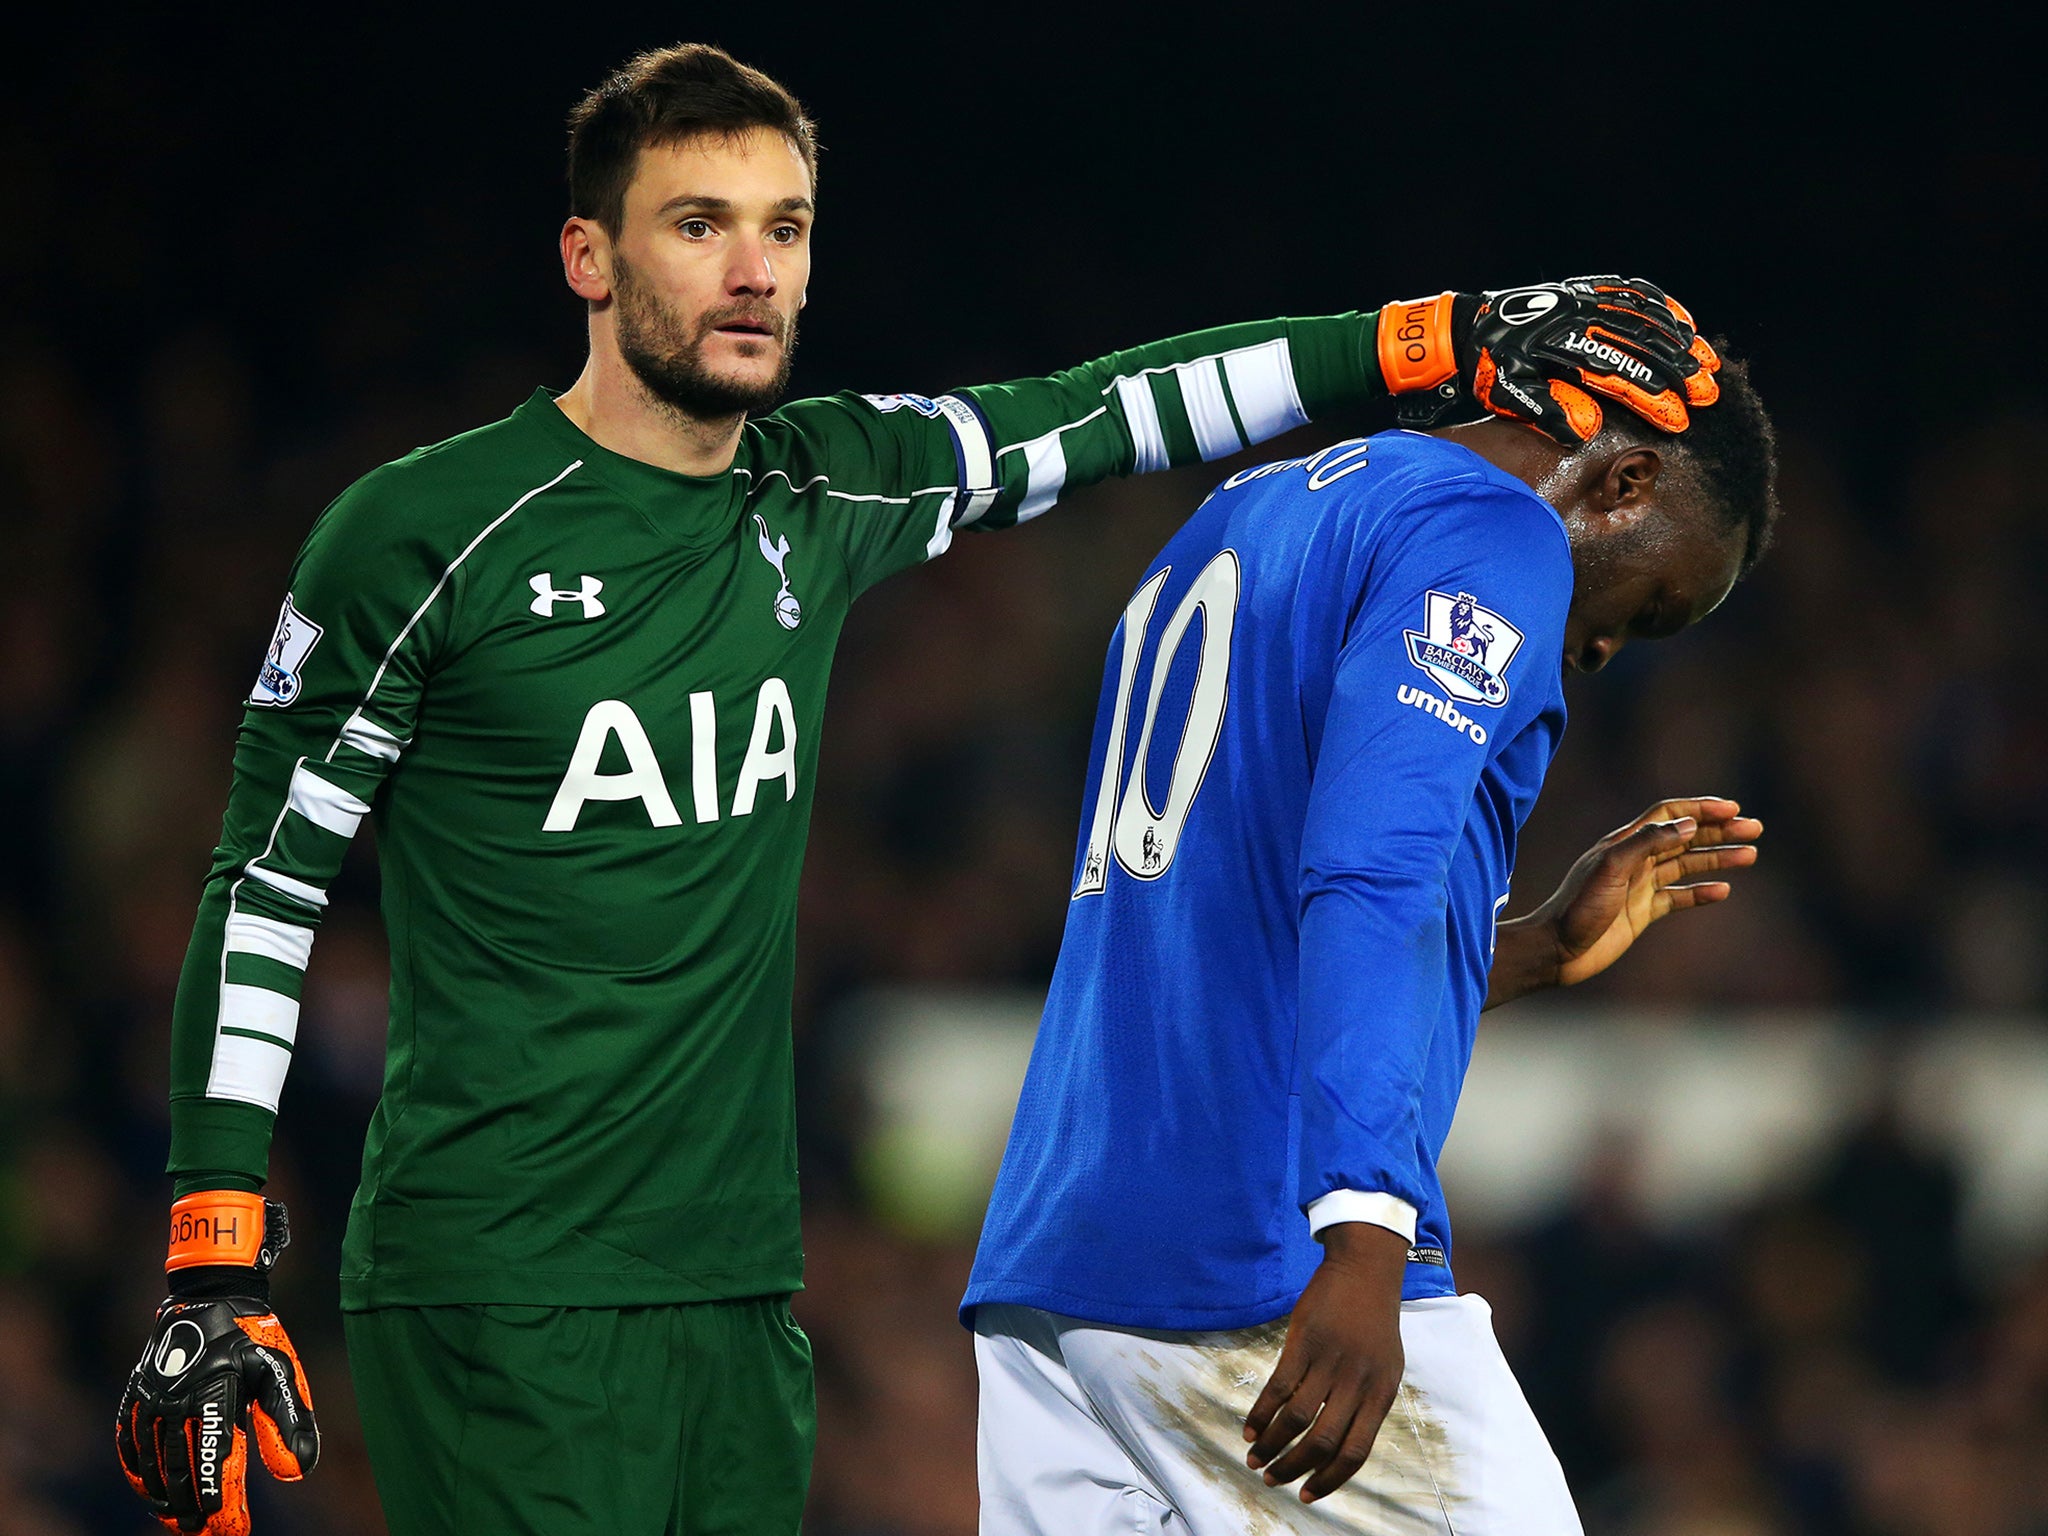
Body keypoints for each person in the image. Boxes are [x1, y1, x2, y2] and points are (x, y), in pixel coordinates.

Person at [111, 40, 1723, 1536]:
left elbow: (1118, 410)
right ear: (588, 260)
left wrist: (1432, 337)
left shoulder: (824, 485)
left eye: (786, 226)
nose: (755, 270)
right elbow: (263, 885)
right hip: (500, 1273)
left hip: (738, 1283)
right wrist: (213, 1258)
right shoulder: (421, 534)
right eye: (698, 225)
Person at [963, 327, 1777, 1533]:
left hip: (1057, 1273)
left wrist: (1537, 947)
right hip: (1252, 1255)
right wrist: (1360, 1234)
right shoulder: (1490, 533)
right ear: (1623, 479)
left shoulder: (1250, 509)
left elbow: (1233, 931)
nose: (1603, 649)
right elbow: (1369, 874)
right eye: (1652, 605)